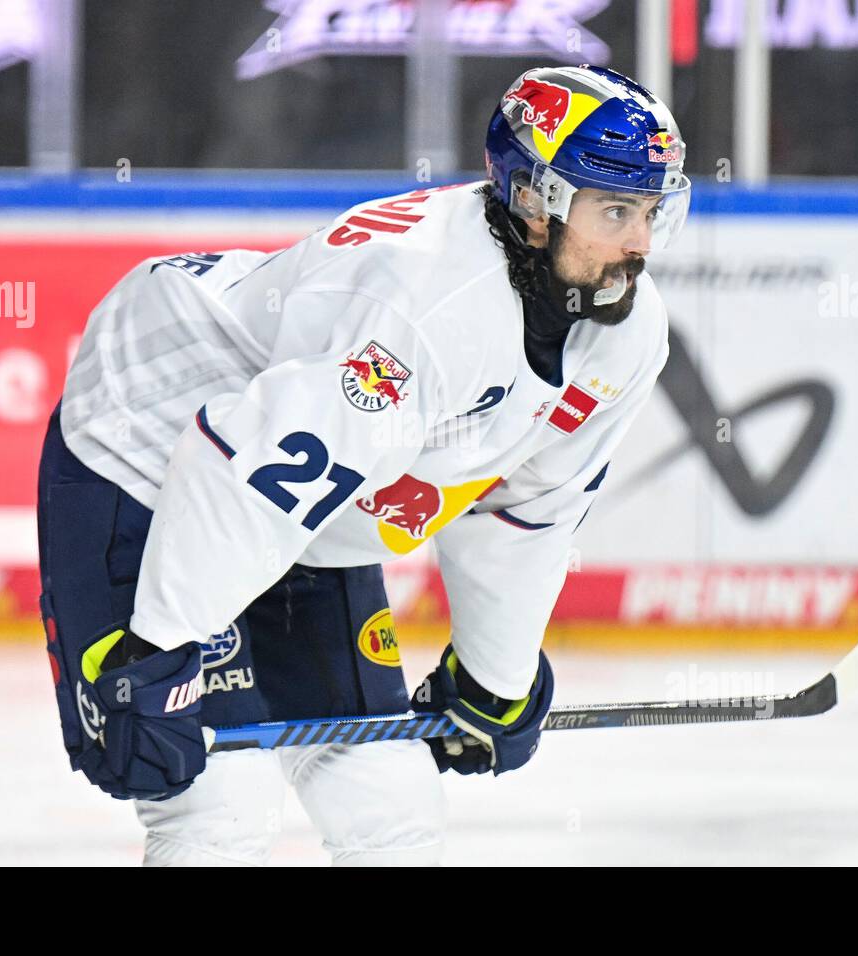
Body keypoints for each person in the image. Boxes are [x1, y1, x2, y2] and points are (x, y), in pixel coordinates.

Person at [37, 65, 689, 866]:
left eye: (654, 210)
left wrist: (493, 678)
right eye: (616, 210)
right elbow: (234, 475)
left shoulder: (626, 333)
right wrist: (162, 655)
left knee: (392, 804)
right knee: (215, 801)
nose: (641, 243)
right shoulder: (425, 307)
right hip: (145, 432)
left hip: (300, 497)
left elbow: (528, 513)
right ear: (533, 199)